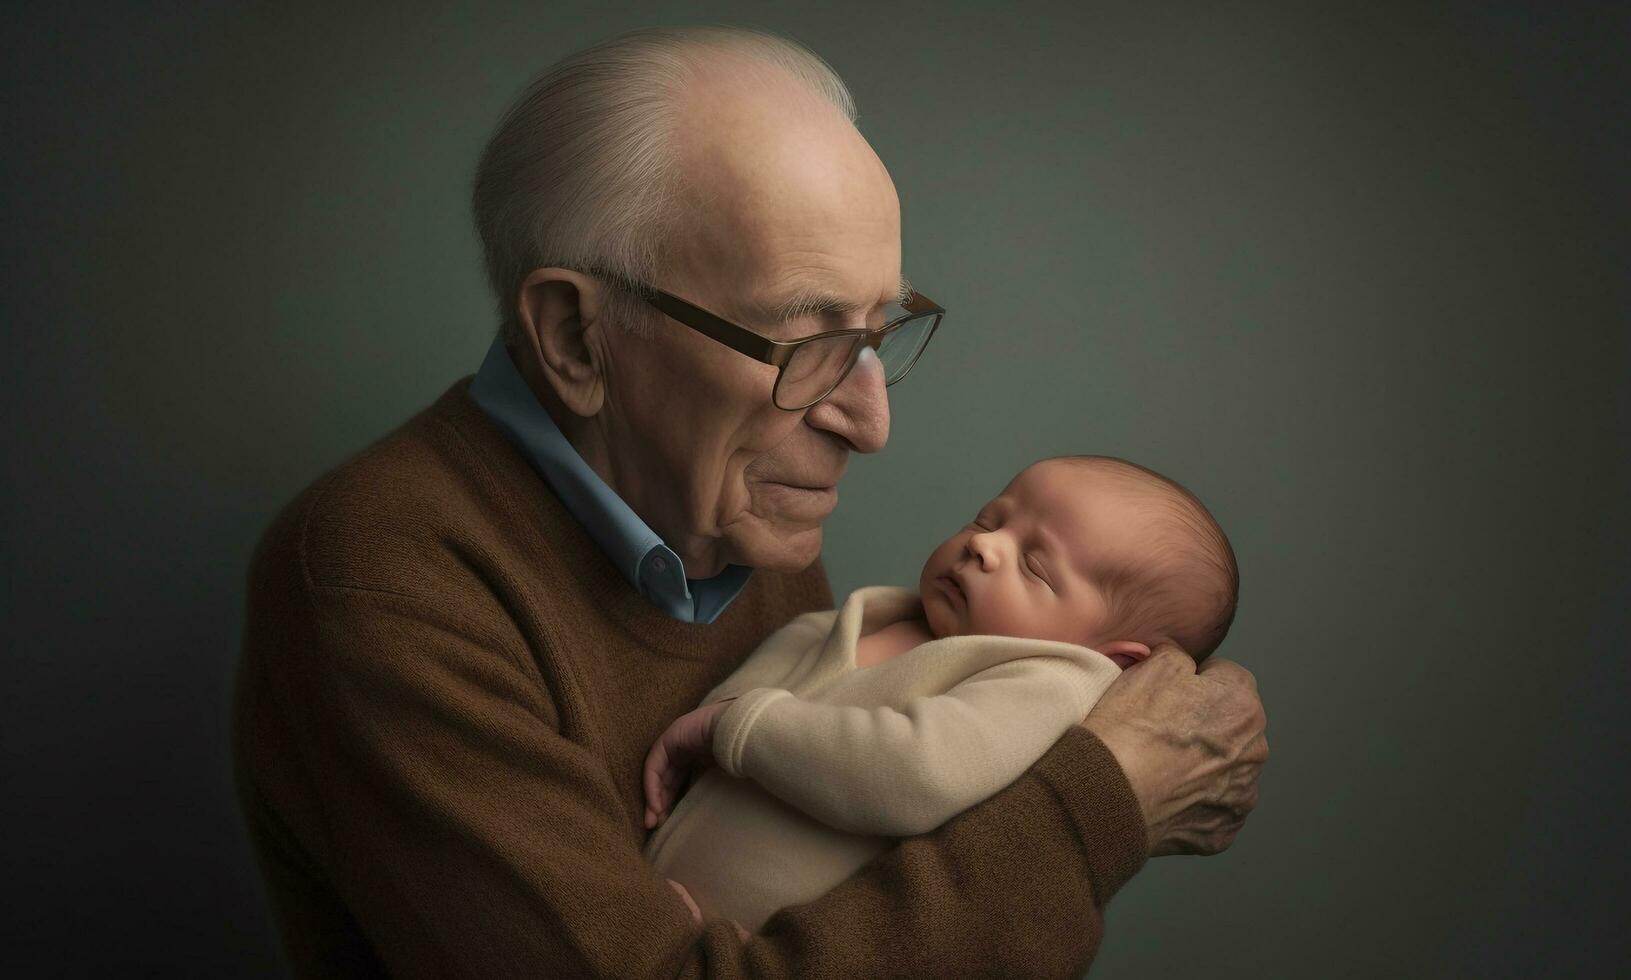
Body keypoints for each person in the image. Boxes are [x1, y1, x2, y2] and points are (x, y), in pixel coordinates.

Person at [231, 26, 1268, 978]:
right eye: (805, 342)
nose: (868, 421)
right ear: (575, 338)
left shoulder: (734, 517)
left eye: (876, 335)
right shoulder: (384, 574)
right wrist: (1098, 805)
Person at [640, 455, 1240, 935]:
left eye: (1036, 567)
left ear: (1115, 659)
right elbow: (744, 696)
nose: (986, 545)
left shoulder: (1048, 682)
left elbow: (914, 773)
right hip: (656, 908)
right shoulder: (866, 615)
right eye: (989, 518)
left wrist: (730, 729)